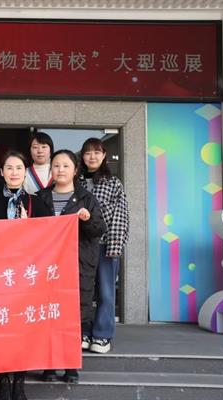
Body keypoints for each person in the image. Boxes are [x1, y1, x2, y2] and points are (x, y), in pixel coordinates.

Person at [32, 150, 107, 384]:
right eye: (56, 165)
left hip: (77, 266)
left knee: (73, 318)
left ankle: (71, 366)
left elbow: (99, 229)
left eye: (65, 166)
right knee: (48, 316)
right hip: (46, 268)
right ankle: (49, 365)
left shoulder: (86, 198)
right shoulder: (40, 198)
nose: (60, 170)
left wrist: (87, 219)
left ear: (75, 170)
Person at [0, 150, 34, 400]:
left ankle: (19, 382)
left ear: (25, 172)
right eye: (9, 168)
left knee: (23, 331)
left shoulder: (37, 202)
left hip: (26, 277)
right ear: (1, 172)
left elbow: (48, 238)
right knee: (1, 327)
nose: (14, 173)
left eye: (19, 168)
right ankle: (3, 381)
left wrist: (27, 228)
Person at [79, 138, 129, 354]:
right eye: (88, 153)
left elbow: (121, 215)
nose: (92, 157)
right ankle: (83, 331)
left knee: (106, 292)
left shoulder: (113, 183)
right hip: (81, 245)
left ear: (104, 155)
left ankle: (102, 335)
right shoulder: (77, 181)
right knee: (83, 291)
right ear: (82, 157)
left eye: (97, 152)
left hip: (105, 244)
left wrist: (114, 246)